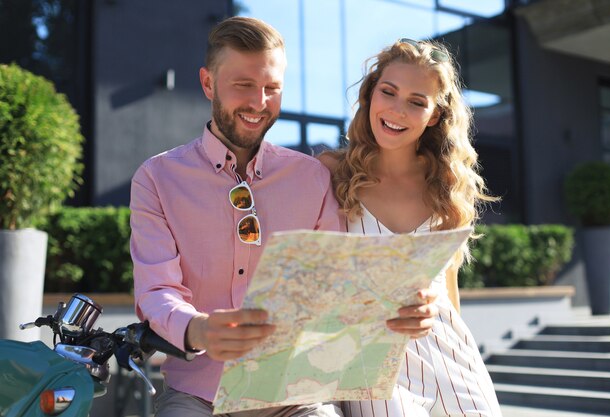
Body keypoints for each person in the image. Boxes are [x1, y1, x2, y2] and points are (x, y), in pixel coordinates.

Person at [130, 17, 437, 417]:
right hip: (196, 398)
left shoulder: (312, 177)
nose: (259, 102)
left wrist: (404, 306)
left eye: (272, 89)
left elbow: (338, 285)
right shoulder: (157, 177)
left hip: (296, 399)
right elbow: (156, 292)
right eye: (243, 85)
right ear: (208, 84)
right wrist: (198, 329)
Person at [320, 39, 502, 417]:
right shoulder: (329, 173)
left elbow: (447, 285)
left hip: (447, 349)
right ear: (371, 94)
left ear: (435, 115)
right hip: (369, 356)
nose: (397, 110)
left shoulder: (448, 185)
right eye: (389, 92)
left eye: (417, 102)